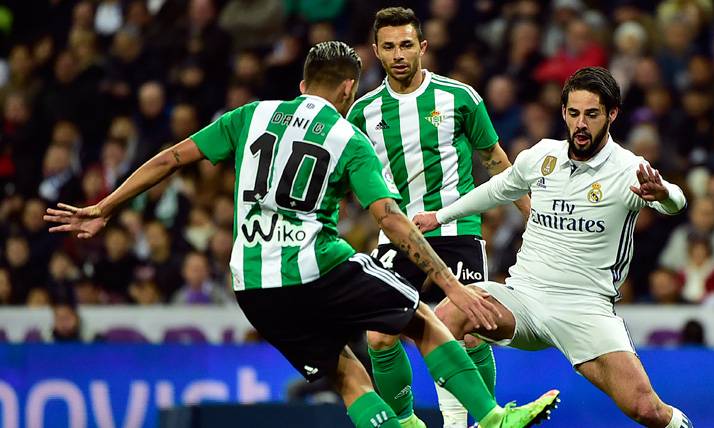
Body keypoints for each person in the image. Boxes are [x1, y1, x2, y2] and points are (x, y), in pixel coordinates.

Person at [45, 41, 558, 428]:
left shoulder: (251, 115)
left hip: (251, 283)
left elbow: (171, 157)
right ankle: (493, 419)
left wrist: (105, 206)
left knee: (346, 375)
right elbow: (390, 219)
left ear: (302, 81)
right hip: (315, 265)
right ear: (348, 90)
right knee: (421, 319)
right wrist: (449, 283)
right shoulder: (347, 135)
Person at [414, 67, 693, 428]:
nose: (580, 124)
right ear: (563, 112)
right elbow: (500, 188)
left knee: (646, 409)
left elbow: (678, 202)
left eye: (591, 114)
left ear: (612, 114)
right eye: (573, 113)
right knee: (450, 313)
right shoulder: (541, 156)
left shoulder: (629, 169)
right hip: (524, 300)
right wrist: (440, 216)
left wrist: (665, 194)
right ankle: (466, 424)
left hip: (585, 310)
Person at [346, 8, 530, 427]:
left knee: (470, 330)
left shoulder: (459, 98)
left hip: (456, 228)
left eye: (406, 45)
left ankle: (487, 419)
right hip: (397, 236)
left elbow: (497, 162)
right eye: (389, 47)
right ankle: (406, 421)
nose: (398, 54)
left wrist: (534, 217)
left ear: (422, 47)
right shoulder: (361, 113)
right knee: (379, 337)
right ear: (376, 51)